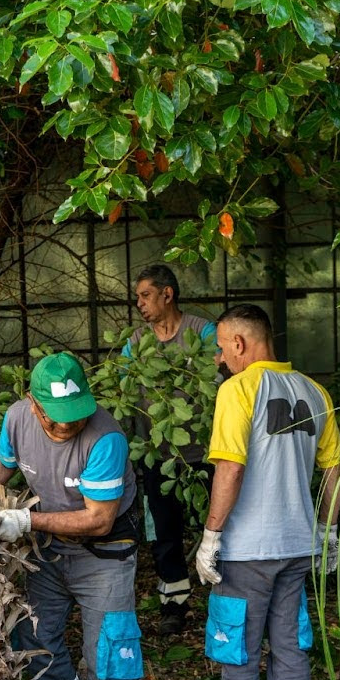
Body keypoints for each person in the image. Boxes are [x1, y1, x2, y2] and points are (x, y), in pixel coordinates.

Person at [0, 352, 142, 680]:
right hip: (47, 549)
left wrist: (27, 521)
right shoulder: (17, 419)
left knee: (107, 647)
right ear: (33, 403)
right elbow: (3, 463)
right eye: (55, 417)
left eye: (75, 416)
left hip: (104, 554)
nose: (66, 426)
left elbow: (99, 520)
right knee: (31, 632)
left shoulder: (106, 437)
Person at [193, 304, 340, 680]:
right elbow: (334, 470)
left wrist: (211, 536)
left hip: (248, 549)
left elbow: (230, 468)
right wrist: (328, 534)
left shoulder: (238, 389)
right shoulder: (314, 391)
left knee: (237, 640)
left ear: (239, 343)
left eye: (222, 348)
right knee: (289, 639)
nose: (219, 358)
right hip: (298, 545)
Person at [124, 265, 218, 635]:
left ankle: (225, 598)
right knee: (165, 535)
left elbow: (222, 374)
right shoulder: (136, 342)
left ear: (168, 294)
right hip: (159, 457)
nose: (139, 304)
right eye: (137, 297)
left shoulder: (202, 332)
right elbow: (123, 392)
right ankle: (173, 606)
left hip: (209, 453)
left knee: (222, 525)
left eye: (145, 295)